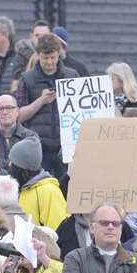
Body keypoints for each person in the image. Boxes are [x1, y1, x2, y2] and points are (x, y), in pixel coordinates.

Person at [15, 33, 82, 177]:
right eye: (46, 58)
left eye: (53, 57)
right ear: (38, 55)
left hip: (66, 149)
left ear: (59, 55)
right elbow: (18, 116)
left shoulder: (72, 76)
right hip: (38, 149)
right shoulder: (26, 79)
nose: (50, 62)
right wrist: (41, 101)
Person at [7, 135, 68, 232]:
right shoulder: (20, 190)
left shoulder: (49, 191)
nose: (9, 167)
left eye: (13, 165)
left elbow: (59, 232)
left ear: (25, 171)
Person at [0, 95, 37, 176]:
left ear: (17, 111)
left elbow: (28, 169)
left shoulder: (30, 138)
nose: (5, 112)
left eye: (9, 108)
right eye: (0, 109)